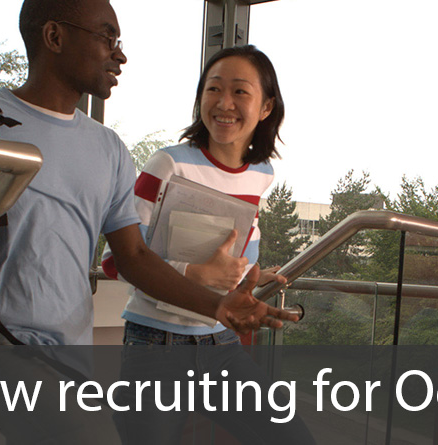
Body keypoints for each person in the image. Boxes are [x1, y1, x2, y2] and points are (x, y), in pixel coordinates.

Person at [0, 0, 295, 346]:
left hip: (69, 357)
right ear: (55, 37)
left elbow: (133, 257)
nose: (119, 55)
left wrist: (216, 305)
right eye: (106, 38)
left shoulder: (109, 147)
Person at [101, 45, 313, 444]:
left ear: (266, 107)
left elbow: (240, 235)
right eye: (213, 89)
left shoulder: (261, 174)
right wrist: (193, 274)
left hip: (221, 343)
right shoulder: (169, 163)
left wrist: (248, 272)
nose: (224, 103)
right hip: (155, 345)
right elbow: (115, 261)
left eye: (240, 91)